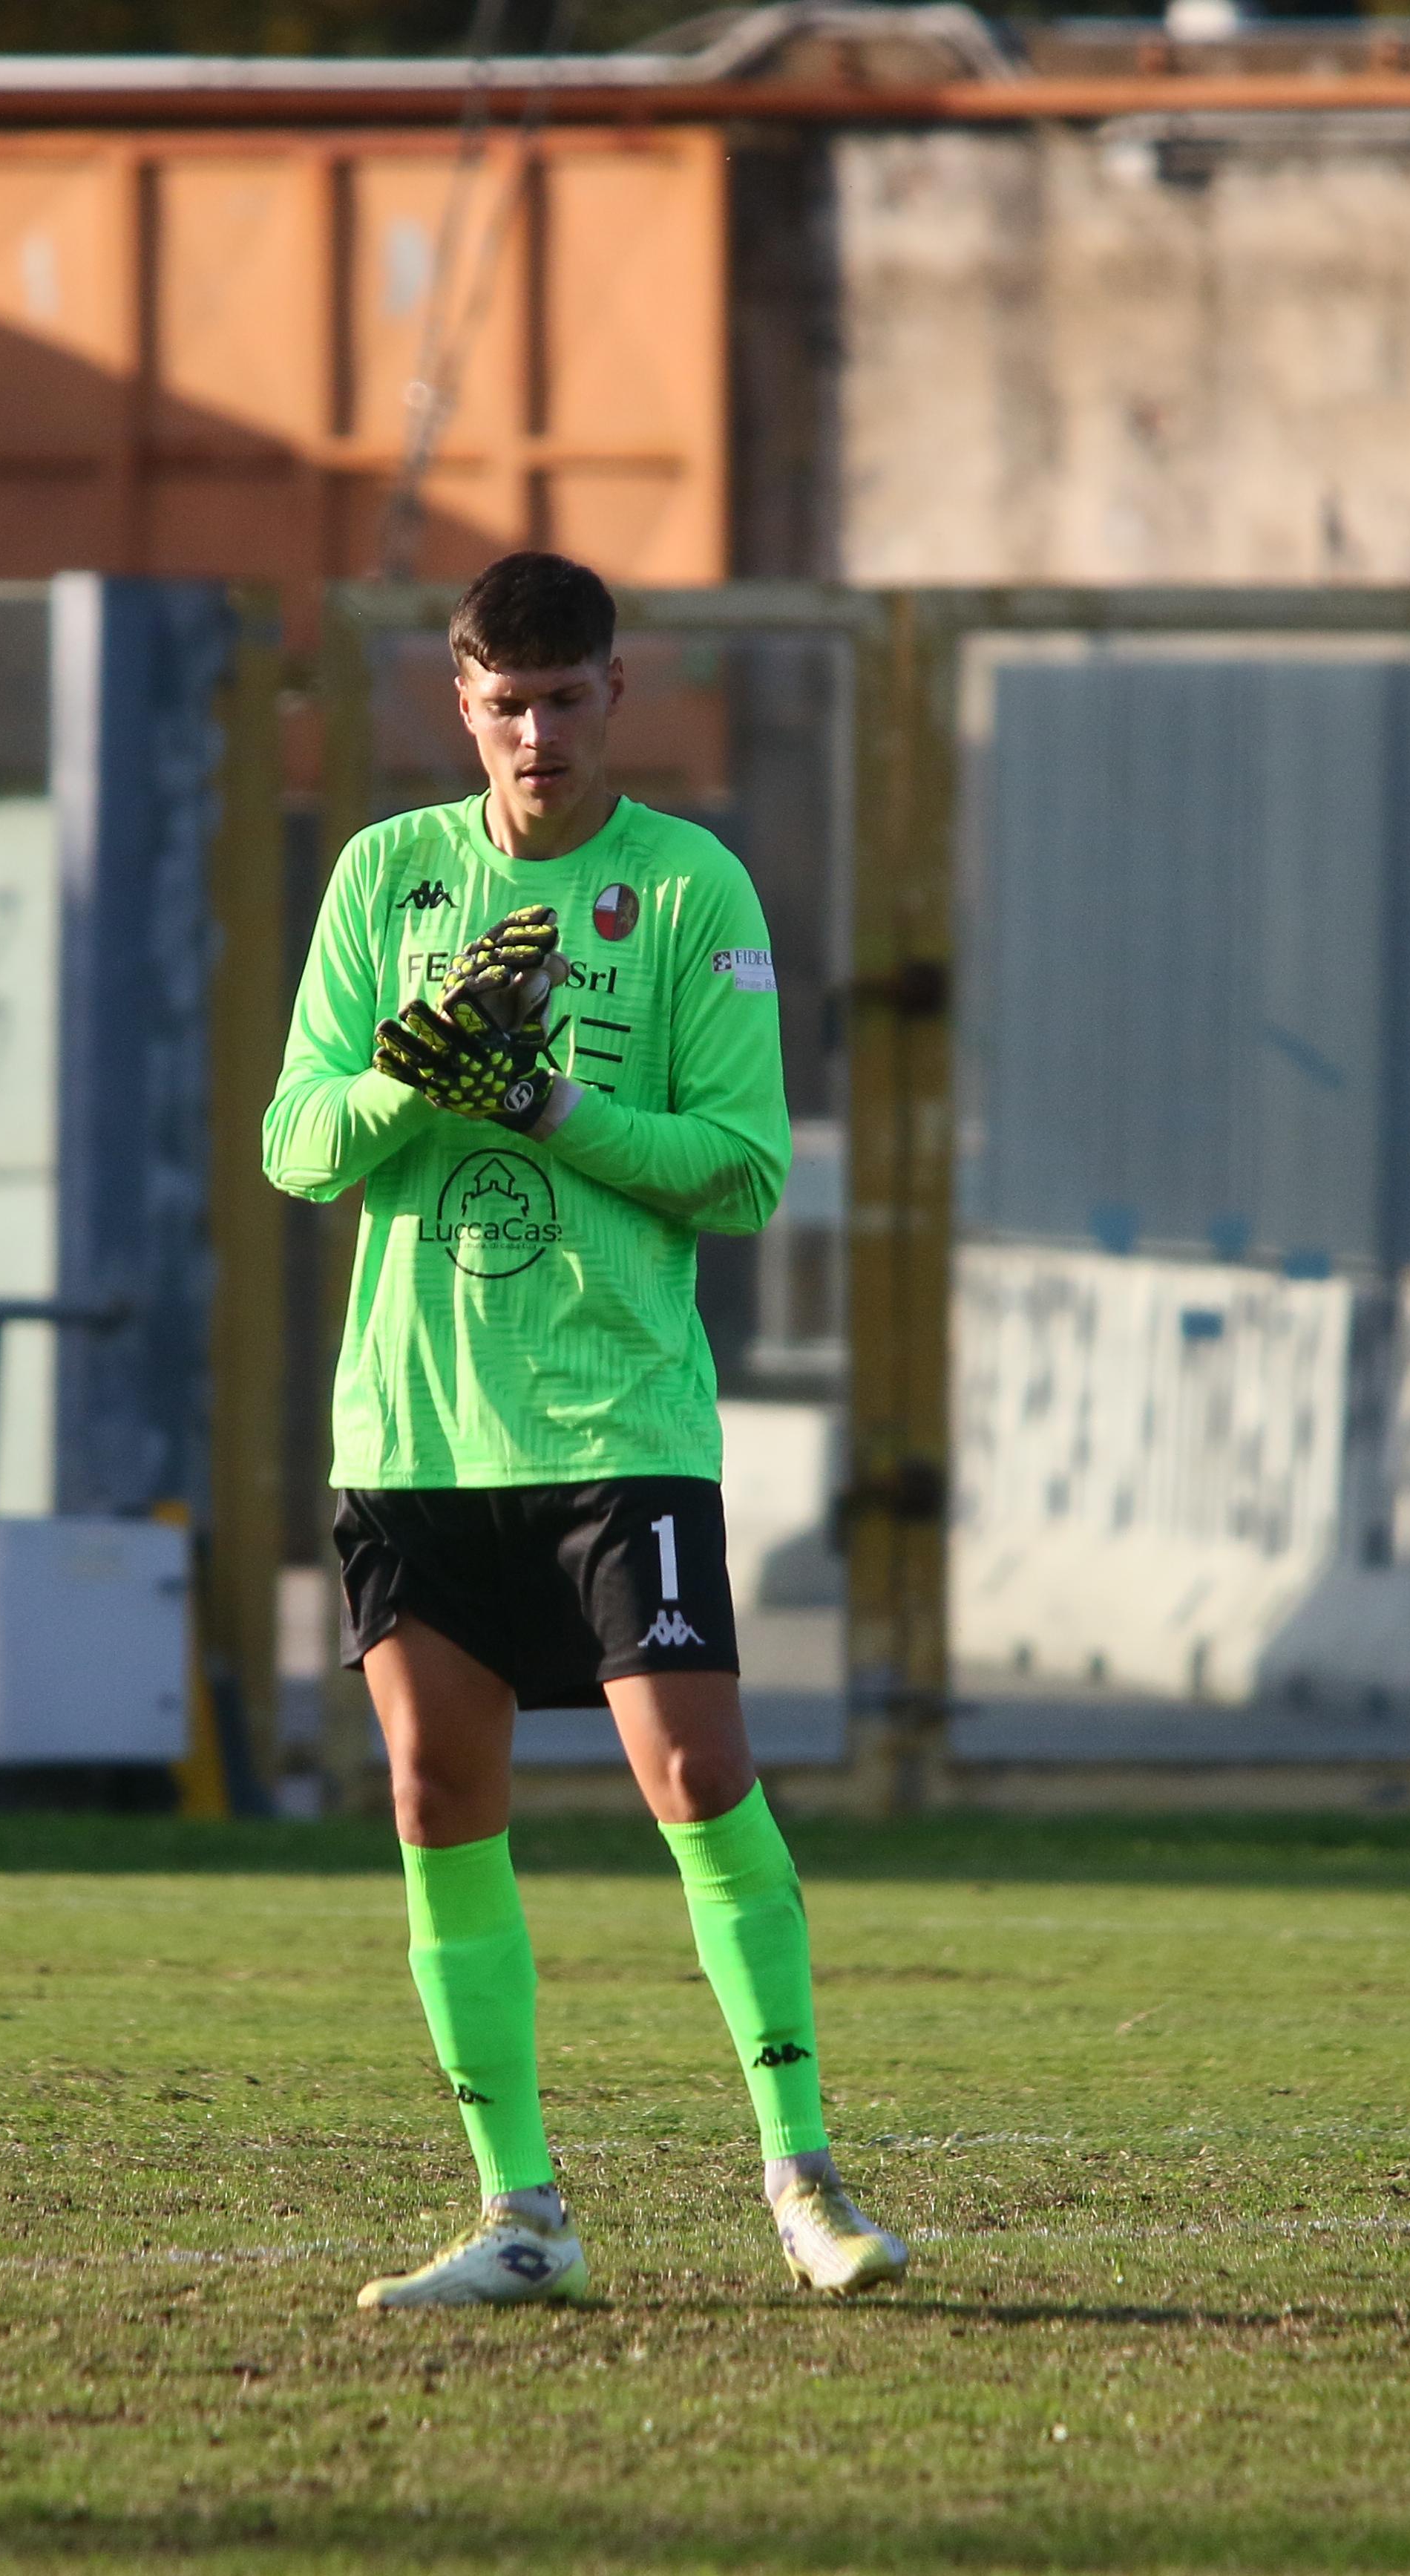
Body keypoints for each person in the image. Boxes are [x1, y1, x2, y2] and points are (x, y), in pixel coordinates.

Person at [260, 550, 908, 2311]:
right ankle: (521, 2213)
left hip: (618, 1423)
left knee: (694, 1775)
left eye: (564, 699)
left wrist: (544, 1100)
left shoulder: (690, 889)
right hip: (414, 1430)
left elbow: (741, 1169)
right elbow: (298, 1147)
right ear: (459, 704)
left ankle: (803, 2178)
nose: (536, 734)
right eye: (505, 705)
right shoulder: (384, 876)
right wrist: (417, 1071)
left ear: (618, 692)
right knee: (433, 1792)